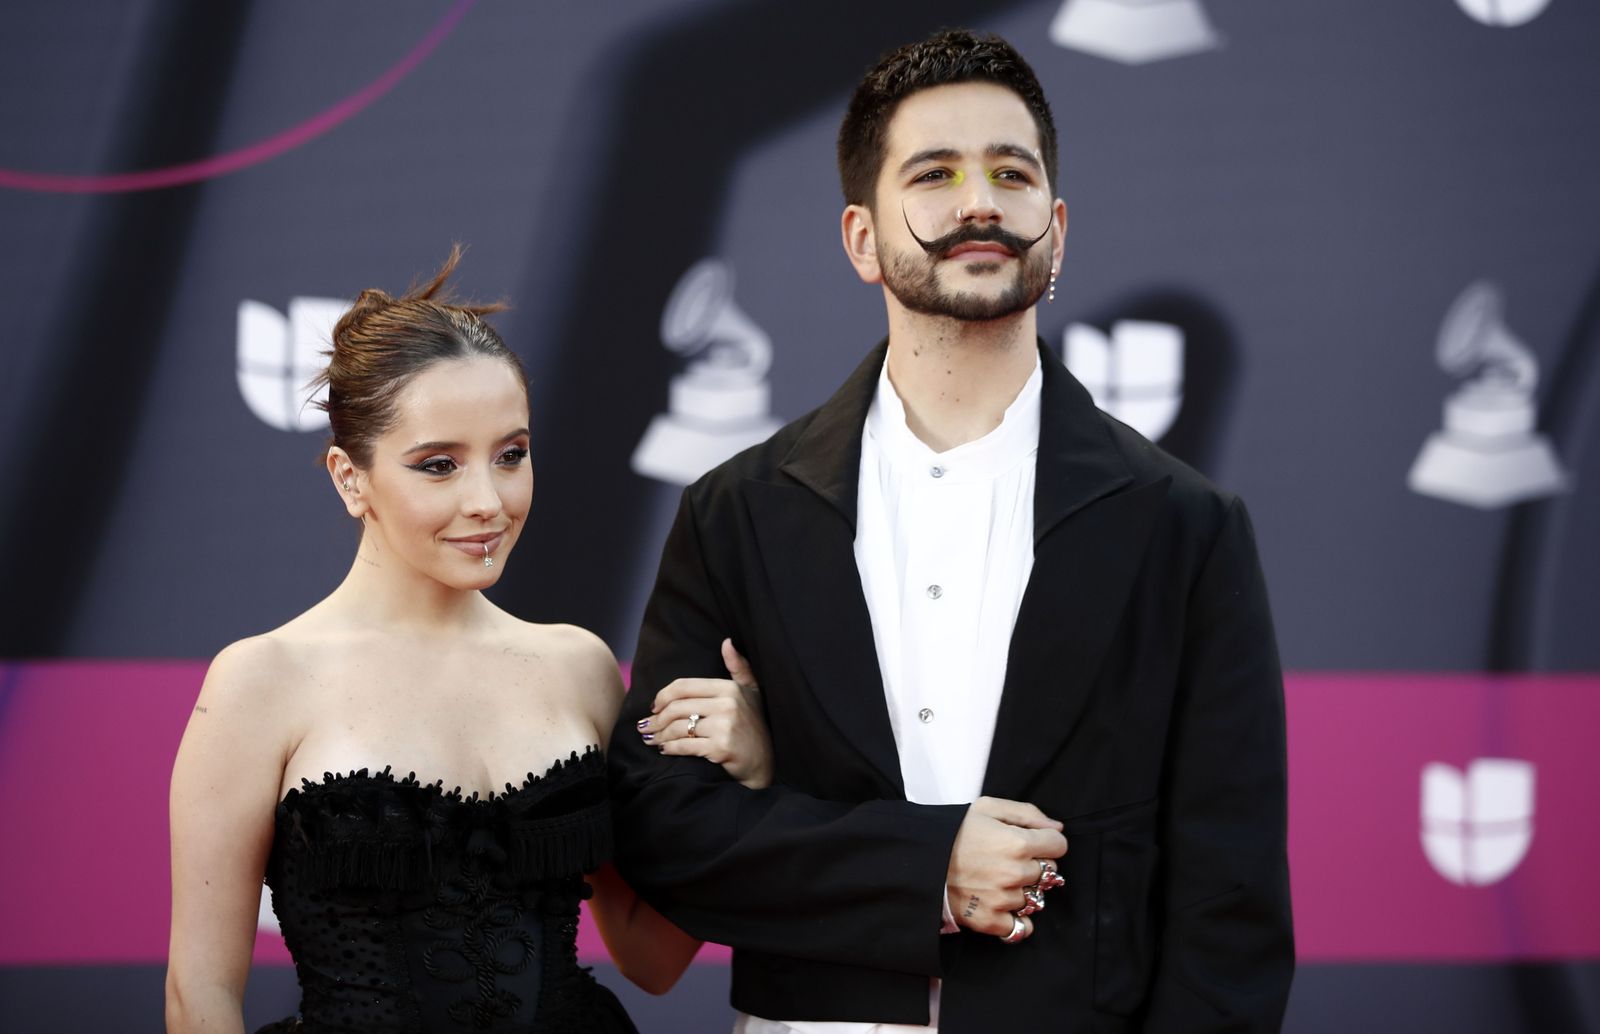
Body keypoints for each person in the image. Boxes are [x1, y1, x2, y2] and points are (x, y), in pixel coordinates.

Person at [610, 28, 1294, 1033]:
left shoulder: (1181, 525)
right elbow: (666, 834)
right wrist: (926, 867)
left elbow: (1227, 908)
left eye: (1010, 174)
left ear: (1054, 229)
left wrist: (790, 797)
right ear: (859, 238)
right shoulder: (738, 511)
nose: (980, 202)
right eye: (933, 174)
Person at [166, 249, 775, 1034]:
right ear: (350, 478)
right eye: (439, 465)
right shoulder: (261, 680)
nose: (488, 501)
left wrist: (747, 787)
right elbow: (199, 995)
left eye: (511, 455)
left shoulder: (581, 668)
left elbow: (651, 959)